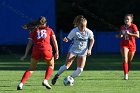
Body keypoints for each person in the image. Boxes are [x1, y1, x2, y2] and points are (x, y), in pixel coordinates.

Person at [17, 16, 59, 90]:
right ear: (45, 23)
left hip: (36, 50)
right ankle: (45, 80)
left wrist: (25, 55)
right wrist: (57, 51)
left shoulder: (34, 30)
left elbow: (29, 43)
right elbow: (54, 41)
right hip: (46, 50)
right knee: (51, 65)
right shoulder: (49, 30)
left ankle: (21, 83)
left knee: (31, 68)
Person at [51, 15, 95, 85]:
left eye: (84, 26)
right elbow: (68, 39)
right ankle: (57, 76)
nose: (83, 28)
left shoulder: (88, 31)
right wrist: (66, 39)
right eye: (81, 26)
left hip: (83, 51)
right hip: (73, 50)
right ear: (78, 25)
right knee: (66, 66)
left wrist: (89, 49)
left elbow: (92, 40)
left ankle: (70, 78)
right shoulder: (74, 31)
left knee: (80, 70)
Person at [119, 14, 139, 80]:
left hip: (132, 46)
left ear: (131, 20)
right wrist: (120, 35)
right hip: (124, 45)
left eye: (128, 19)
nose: (126, 20)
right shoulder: (122, 27)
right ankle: (126, 76)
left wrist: (130, 34)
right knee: (125, 59)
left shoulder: (133, 26)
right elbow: (120, 34)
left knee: (129, 61)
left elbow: (138, 35)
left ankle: (127, 72)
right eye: (125, 19)